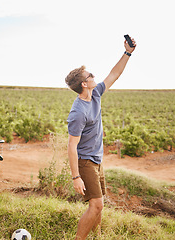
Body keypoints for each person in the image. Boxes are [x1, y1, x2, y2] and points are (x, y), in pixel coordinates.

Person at [65, 36, 136, 240]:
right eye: (91, 75)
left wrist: (128, 52)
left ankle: (97, 236)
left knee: (98, 204)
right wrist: (75, 176)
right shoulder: (78, 112)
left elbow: (115, 74)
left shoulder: (95, 94)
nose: (95, 76)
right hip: (85, 162)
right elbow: (71, 146)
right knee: (97, 205)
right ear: (84, 83)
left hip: (96, 160)